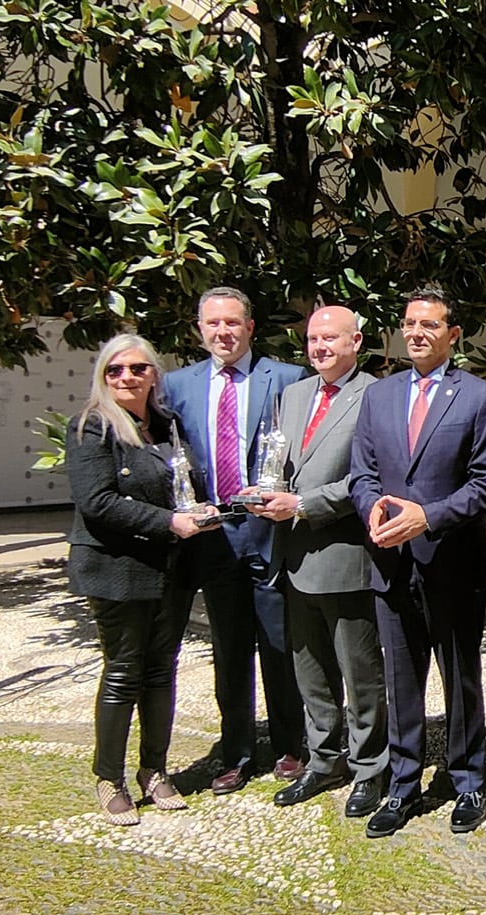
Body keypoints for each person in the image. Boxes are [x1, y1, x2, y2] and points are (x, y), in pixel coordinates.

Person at [349, 285, 486, 838]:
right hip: (390, 559)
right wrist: (374, 512)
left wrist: (428, 517)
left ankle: (468, 779)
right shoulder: (379, 396)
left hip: (451, 560)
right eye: (410, 323)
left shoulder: (479, 398)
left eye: (430, 325)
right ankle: (403, 783)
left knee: (459, 676)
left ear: (452, 335)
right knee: (401, 676)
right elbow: (362, 473)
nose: (417, 332)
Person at [66, 333, 220, 824]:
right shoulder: (92, 427)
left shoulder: (168, 425)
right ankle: (108, 777)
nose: (126, 378)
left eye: (137, 369)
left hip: (171, 568)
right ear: (103, 377)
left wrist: (197, 508)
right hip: (120, 568)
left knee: (162, 671)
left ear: (154, 374)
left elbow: (182, 483)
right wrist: (167, 522)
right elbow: (98, 502)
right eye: (115, 370)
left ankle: (154, 771)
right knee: (122, 672)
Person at [164, 286, 307, 794]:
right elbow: (165, 455)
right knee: (228, 648)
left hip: (270, 531)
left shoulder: (288, 379)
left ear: (250, 326)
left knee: (279, 642)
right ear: (199, 330)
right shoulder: (176, 385)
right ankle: (236, 751)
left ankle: (292, 745)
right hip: (213, 534)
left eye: (232, 322)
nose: (222, 332)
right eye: (212, 324)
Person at [250, 305, 389, 819]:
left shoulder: (375, 395)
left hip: (344, 553)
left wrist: (304, 505)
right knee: (309, 668)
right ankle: (324, 758)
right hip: (292, 555)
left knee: (360, 670)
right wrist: (266, 493)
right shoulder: (294, 395)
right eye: (312, 339)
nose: (320, 347)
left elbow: (368, 476)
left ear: (356, 341)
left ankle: (371, 767)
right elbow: (281, 462)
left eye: (330, 338)